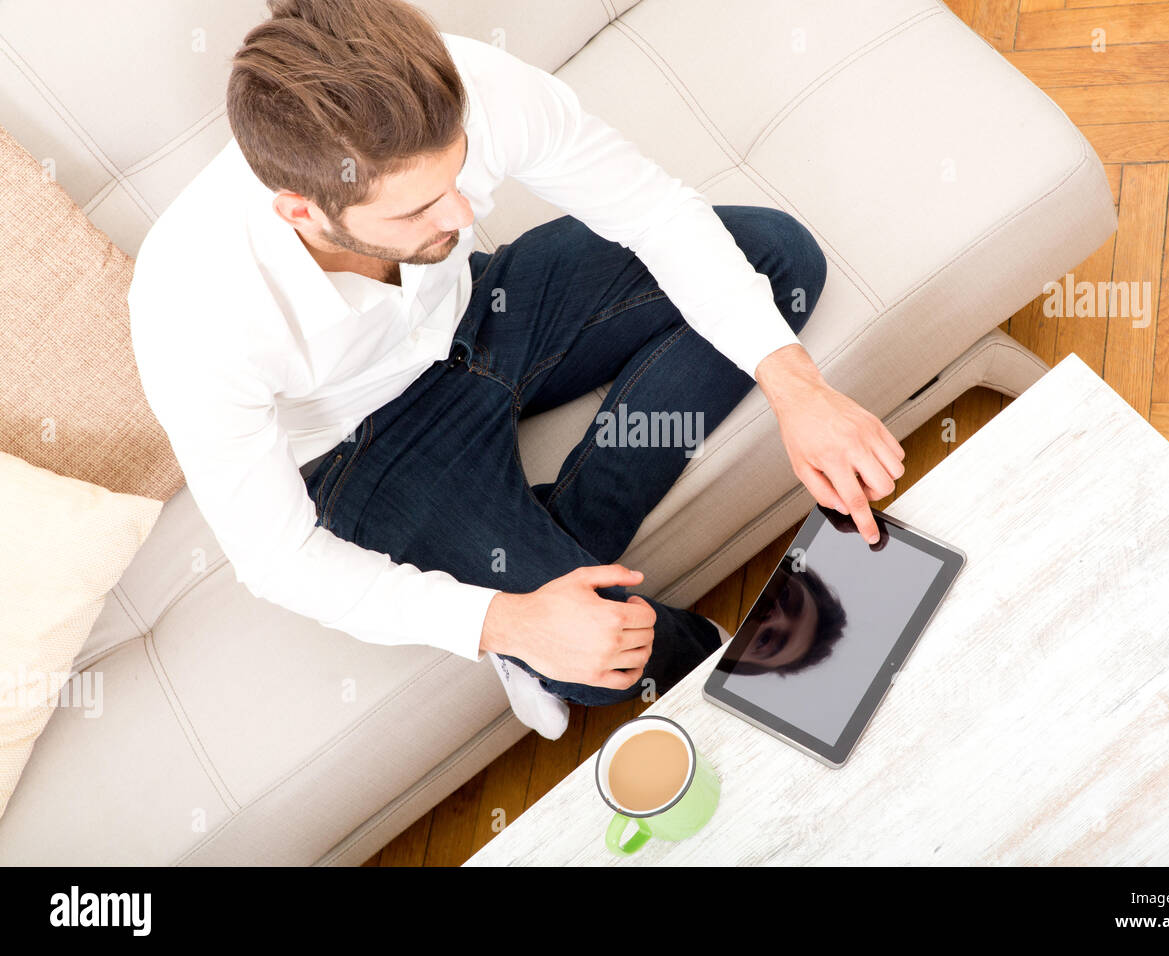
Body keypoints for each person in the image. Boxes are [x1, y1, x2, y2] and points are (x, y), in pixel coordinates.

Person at [127, 0, 905, 738]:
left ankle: (565, 528)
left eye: (458, 176)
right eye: (416, 210)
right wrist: (505, 621)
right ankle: (696, 654)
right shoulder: (190, 305)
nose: (462, 215)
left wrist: (797, 391)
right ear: (302, 211)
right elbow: (278, 559)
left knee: (779, 257)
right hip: (365, 446)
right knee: (606, 662)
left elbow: (655, 214)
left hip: (487, 309)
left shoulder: (464, 87)